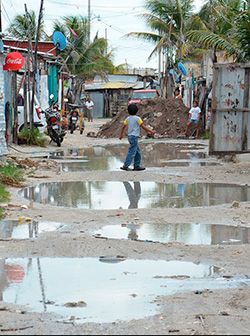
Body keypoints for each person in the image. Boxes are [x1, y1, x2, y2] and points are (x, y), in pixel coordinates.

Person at [119, 103, 155, 171]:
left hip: (130, 137)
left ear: (128, 111)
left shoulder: (128, 118)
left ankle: (136, 166)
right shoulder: (138, 119)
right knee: (132, 151)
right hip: (134, 137)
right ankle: (125, 166)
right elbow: (143, 126)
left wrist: (121, 135)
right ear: (137, 111)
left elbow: (123, 127)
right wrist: (150, 131)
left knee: (137, 152)